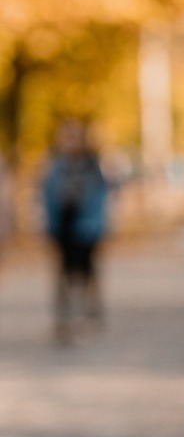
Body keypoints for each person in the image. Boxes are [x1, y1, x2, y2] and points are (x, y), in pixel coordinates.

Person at [41, 118, 110, 343]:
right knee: (62, 273)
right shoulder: (55, 166)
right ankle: (64, 318)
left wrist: (97, 226)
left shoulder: (92, 166)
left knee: (86, 271)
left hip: (86, 227)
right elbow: (46, 196)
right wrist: (48, 225)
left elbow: (100, 198)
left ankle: (88, 311)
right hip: (62, 226)